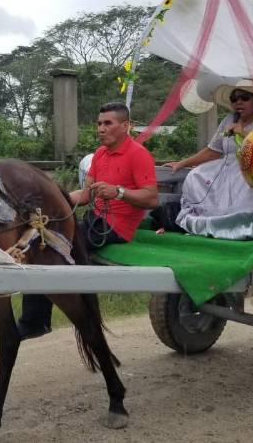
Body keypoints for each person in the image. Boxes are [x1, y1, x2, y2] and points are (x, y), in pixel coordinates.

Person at [16, 102, 158, 339]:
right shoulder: (101, 154)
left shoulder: (139, 155)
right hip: (95, 220)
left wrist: (119, 192)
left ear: (125, 126)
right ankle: (36, 319)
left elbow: (152, 198)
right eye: (99, 124)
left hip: (116, 228)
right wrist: (52, 205)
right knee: (39, 239)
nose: (101, 129)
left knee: (48, 249)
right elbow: (85, 194)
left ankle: (35, 321)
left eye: (108, 123)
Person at [164, 80, 253, 240]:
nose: (239, 102)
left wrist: (243, 133)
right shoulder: (229, 119)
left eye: (244, 97)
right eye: (234, 98)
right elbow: (213, 151)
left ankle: (246, 230)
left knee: (243, 183)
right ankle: (210, 227)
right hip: (226, 166)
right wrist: (181, 163)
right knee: (195, 175)